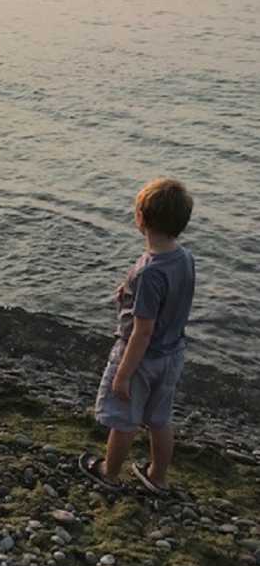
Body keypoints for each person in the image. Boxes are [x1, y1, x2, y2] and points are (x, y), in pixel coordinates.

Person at [79, 178, 195, 495]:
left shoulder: (149, 271)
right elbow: (172, 297)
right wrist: (129, 294)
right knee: (159, 419)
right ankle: (157, 476)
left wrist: (123, 375)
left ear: (141, 218)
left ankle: (109, 472)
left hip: (141, 359)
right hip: (173, 354)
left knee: (124, 419)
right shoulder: (185, 258)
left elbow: (142, 332)